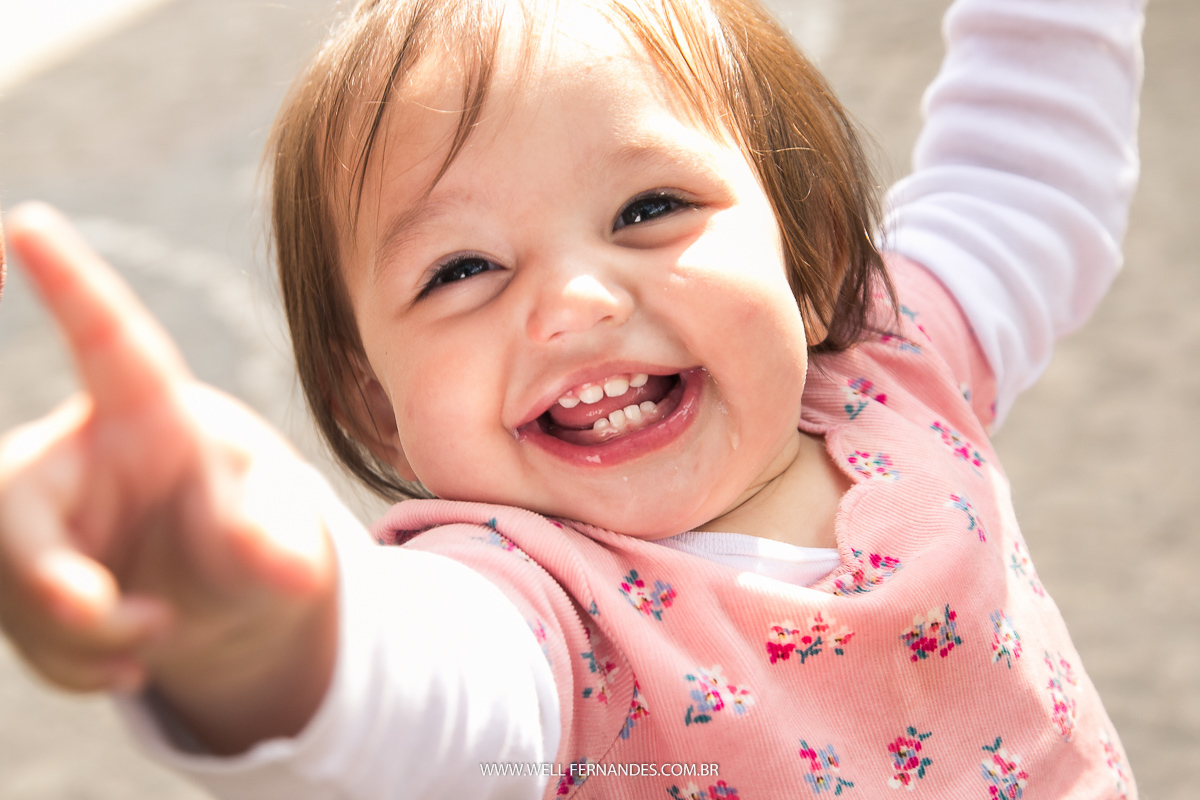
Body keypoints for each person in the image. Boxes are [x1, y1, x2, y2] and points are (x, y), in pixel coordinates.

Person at [0, 0, 1144, 796]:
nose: (578, 302)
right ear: (379, 407)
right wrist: (264, 622)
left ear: (808, 259)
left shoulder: (896, 363)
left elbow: (1026, 169)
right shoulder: (530, 610)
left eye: (650, 206)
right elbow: (410, 698)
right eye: (461, 271)